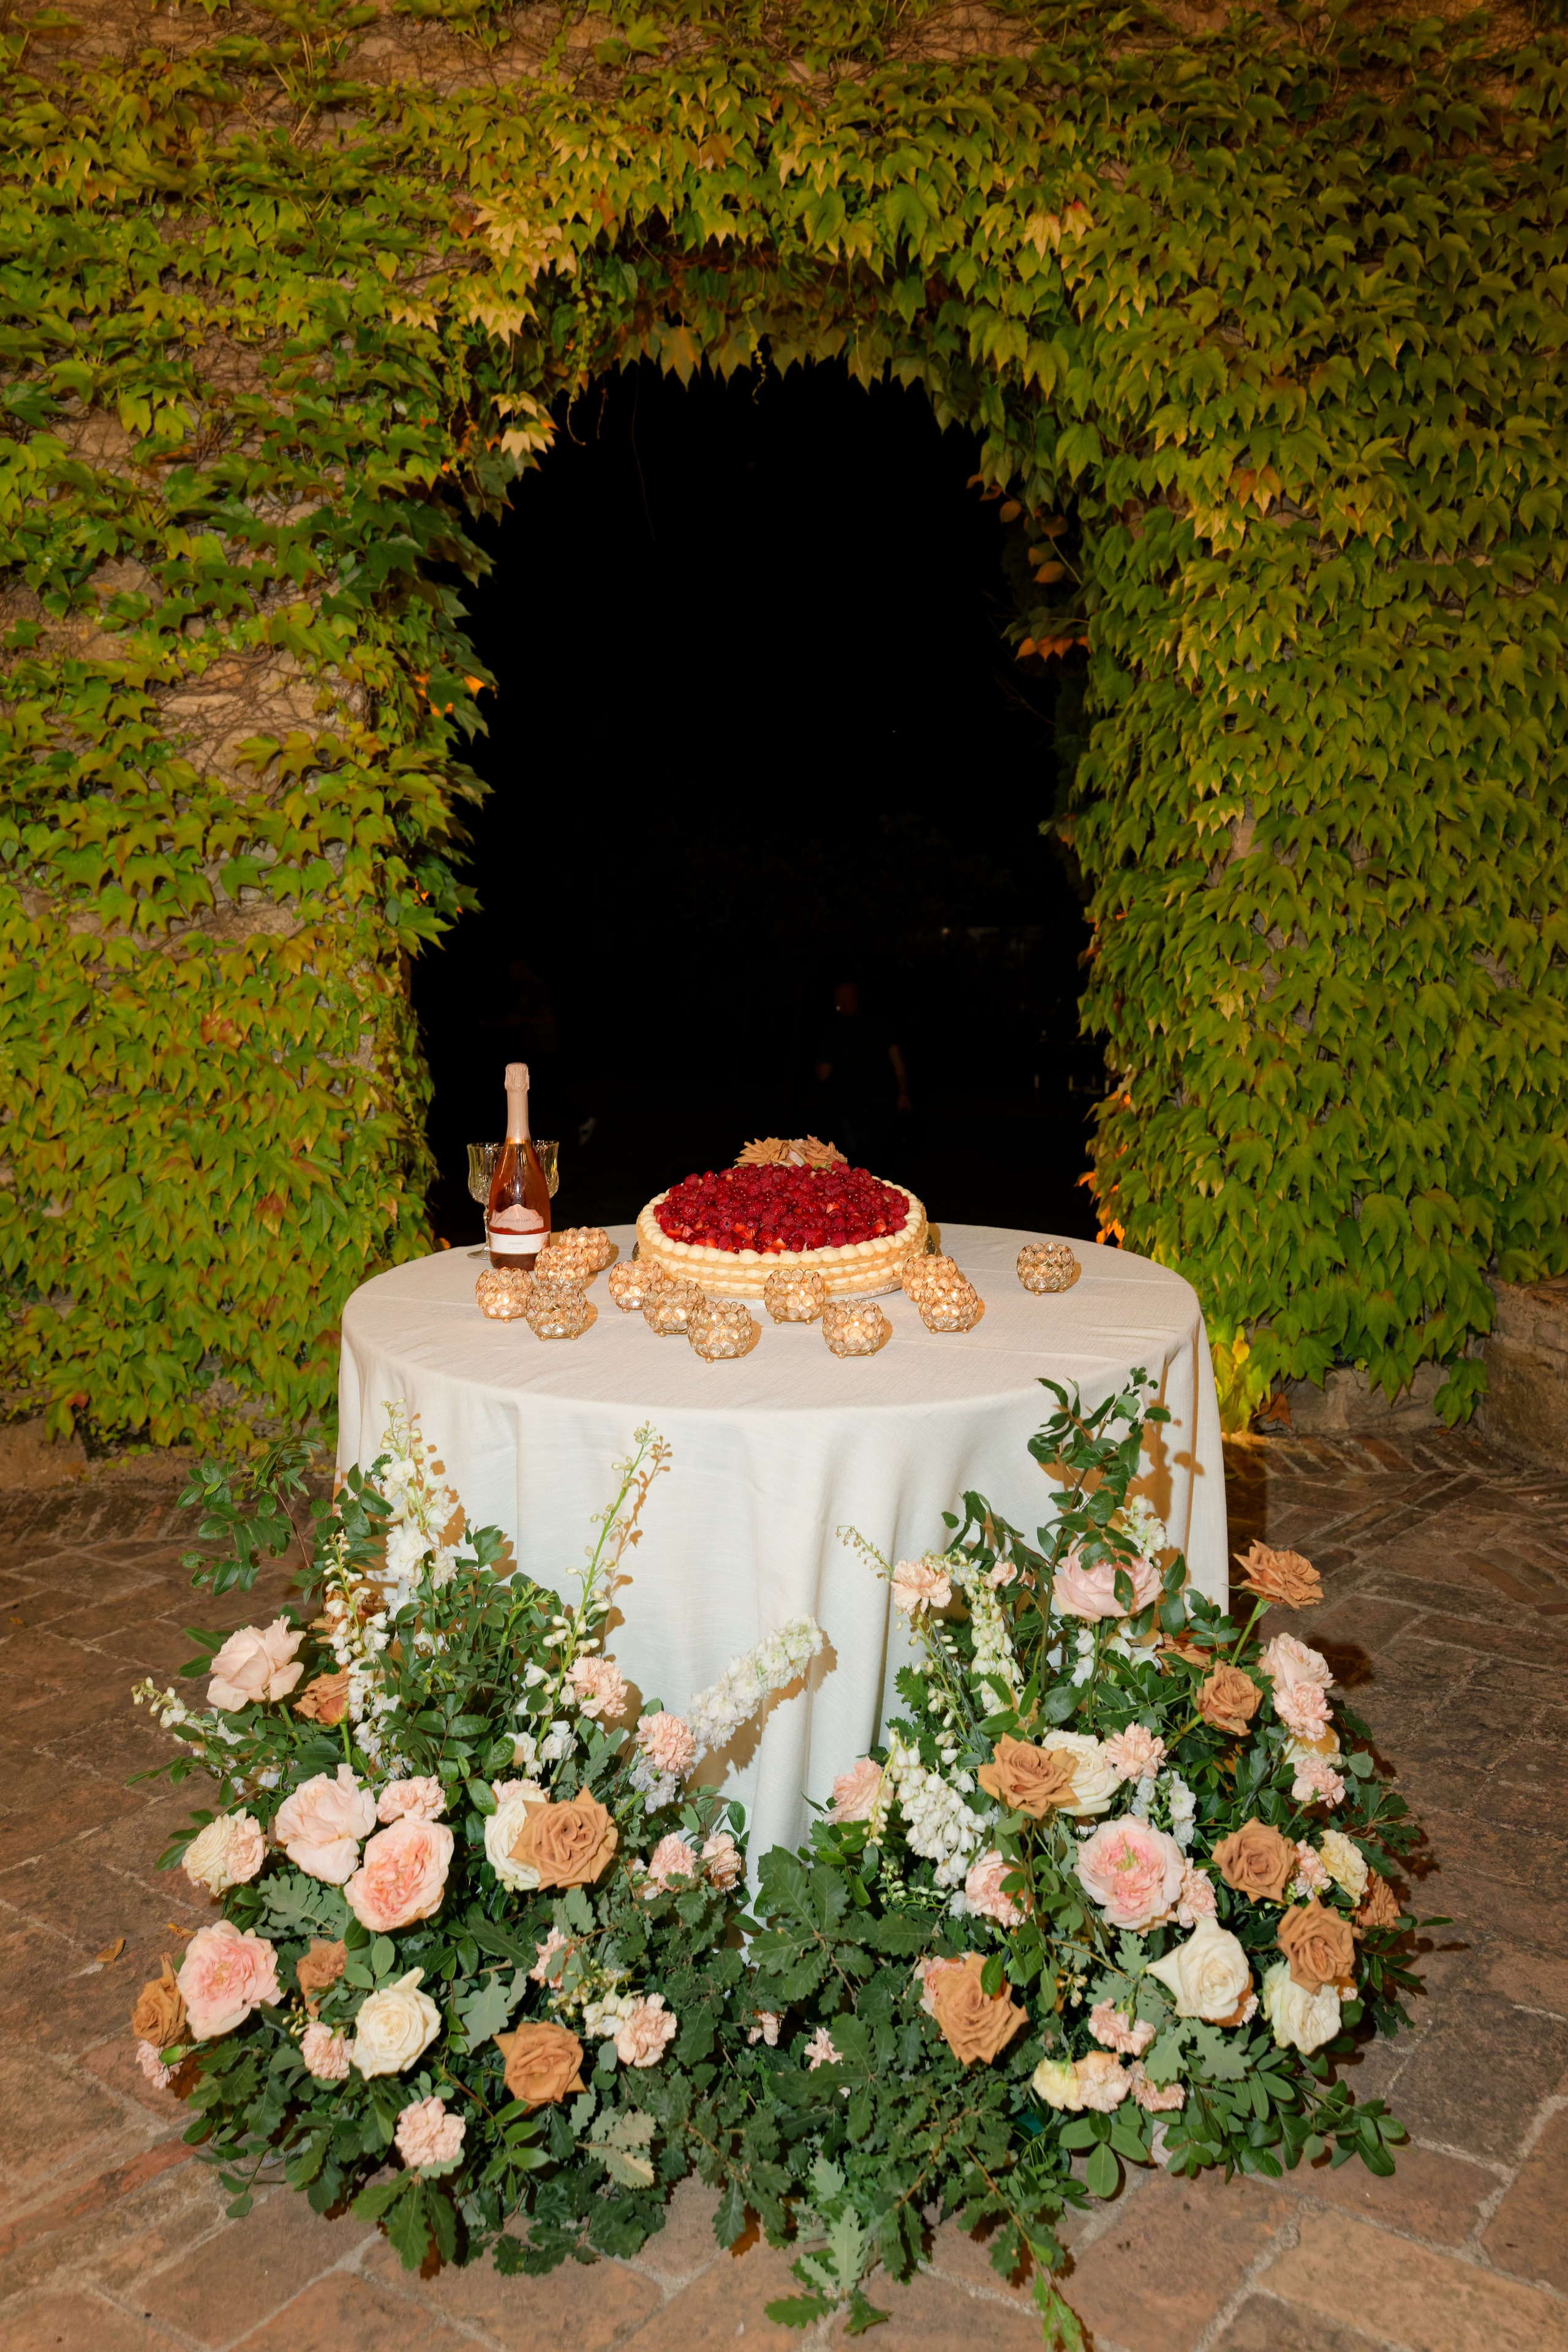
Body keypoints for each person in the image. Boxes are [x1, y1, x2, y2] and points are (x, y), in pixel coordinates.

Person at [815, 981, 911, 1170]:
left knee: (853, 1166)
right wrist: (903, 1093)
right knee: (878, 1165)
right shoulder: (882, 1026)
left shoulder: (834, 1032)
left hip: (850, 1112)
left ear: (840, 1003)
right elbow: (899, 1066)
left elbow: (823, 1074)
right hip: (881, 1108)